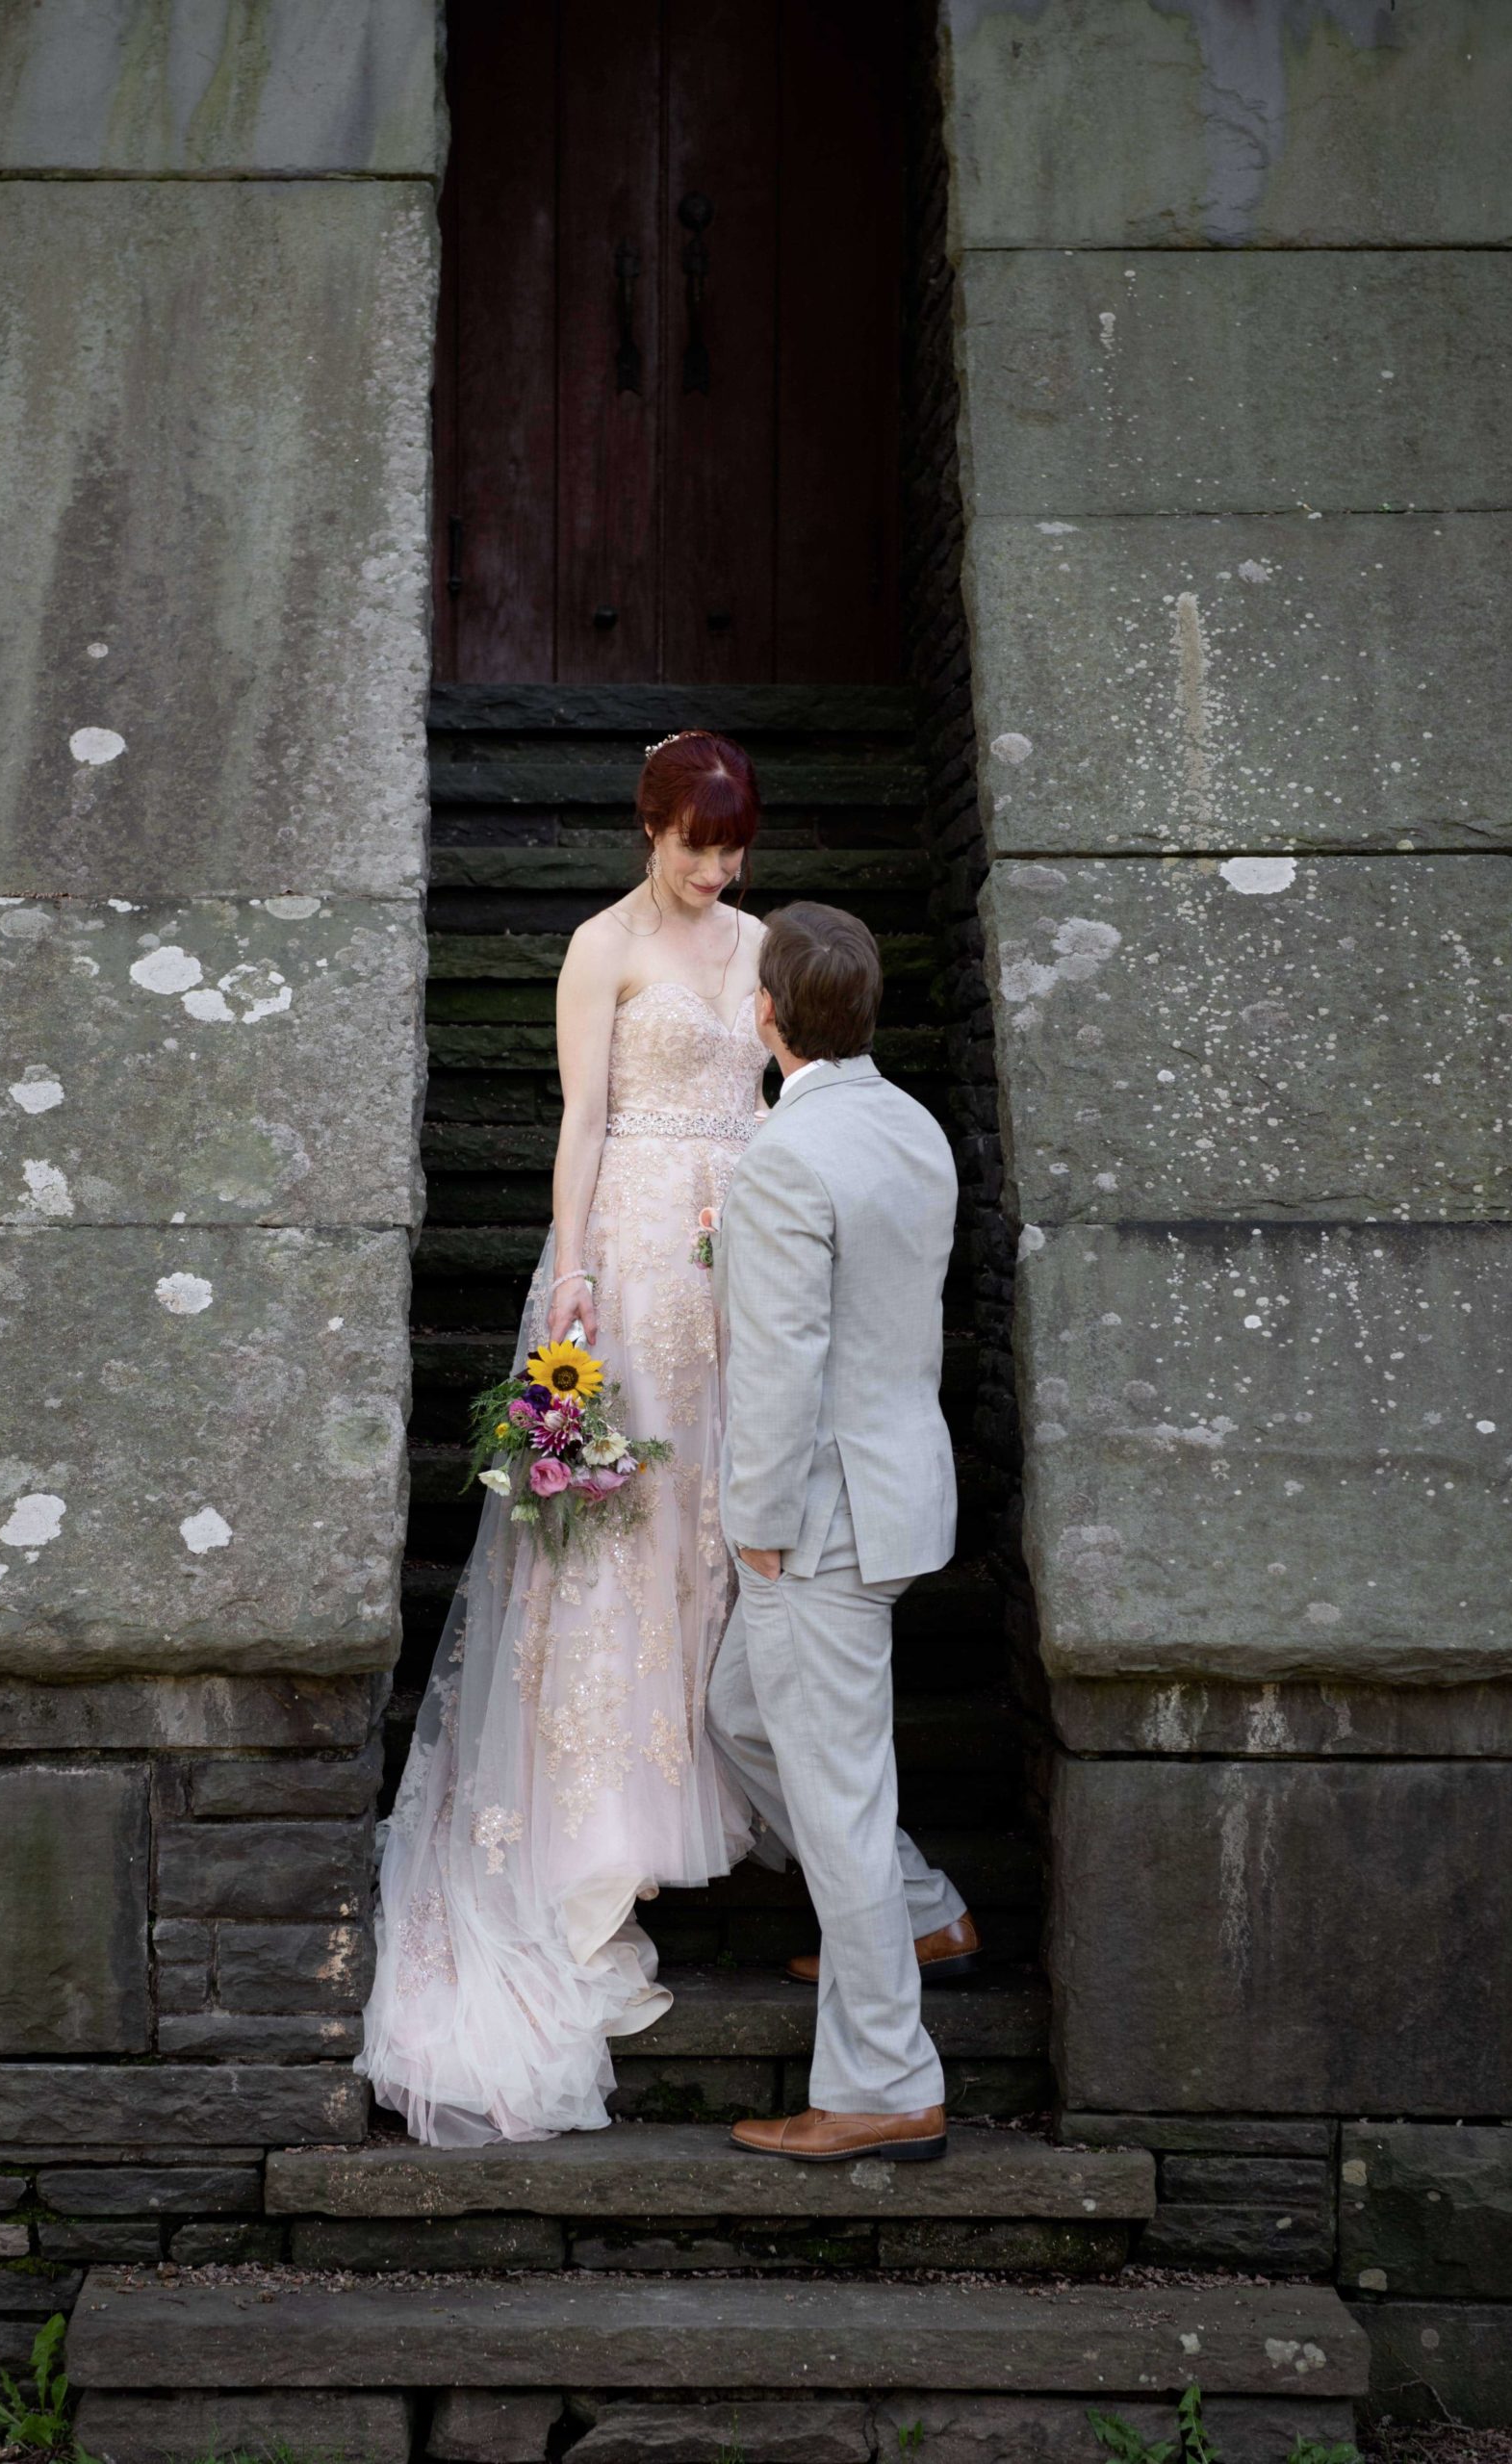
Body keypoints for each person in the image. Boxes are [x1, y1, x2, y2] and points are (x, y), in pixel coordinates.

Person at [358, 731, 764, 2144]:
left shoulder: (762, 942)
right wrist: (574, 1277)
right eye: (696, 847)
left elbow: (776, 1096)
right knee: (615, 1541)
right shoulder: (601, 948)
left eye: (733, 850)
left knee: (710, 1541)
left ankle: (680, 1812)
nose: (716, 873)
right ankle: (590, 1855)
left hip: (740, 1264)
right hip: (634, 1265)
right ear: (650, 830)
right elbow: (586, 1121)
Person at [707, 901, 978, 2164]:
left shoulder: (784, 1158)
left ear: (766, 1012)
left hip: (814, 1523)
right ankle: (921, 1912)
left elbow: (781, 1363)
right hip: (892, 1495)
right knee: (738, 1714)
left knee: (840, 1808)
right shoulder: (910, 1124)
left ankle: (882, 2082)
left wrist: (757, 1525)